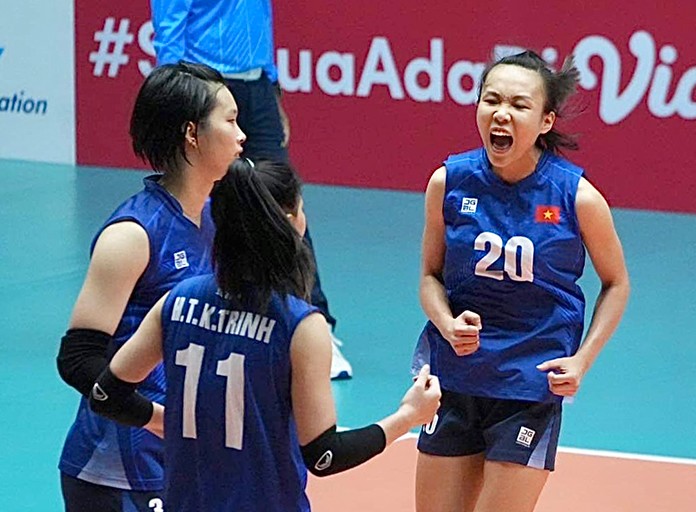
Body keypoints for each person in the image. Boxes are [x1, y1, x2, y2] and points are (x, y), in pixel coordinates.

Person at [88, 158, 442, 511]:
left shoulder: (177, 300)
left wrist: (170, 421)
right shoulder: (299, 325)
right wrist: (408, 417)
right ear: (290, 222)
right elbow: (323, 455)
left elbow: (105, 395)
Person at [413, 50, 630, 512]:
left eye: (518, 104)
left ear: (546, 120)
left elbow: (616, 283)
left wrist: (582, 361)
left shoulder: (577, 197)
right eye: (491, 100)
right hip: (457, 377)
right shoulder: (448, 182)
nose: (501, 113)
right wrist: (448, 324)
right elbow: (430, 276)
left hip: (529, 384)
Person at [56, 62, 246, 511]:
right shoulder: (133, 235)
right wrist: (158, 418)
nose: (242, 136)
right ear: (192, 134)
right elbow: (78, 360)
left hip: (188, 458)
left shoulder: (220, 220)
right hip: (120, 470)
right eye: (231, 120)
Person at [149, 0, 354, 379]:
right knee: (199, 199)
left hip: (257, 86)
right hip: (206, 87)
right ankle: (182, 318)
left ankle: (316, 322)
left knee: (284, 200)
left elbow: (261, 17)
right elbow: (169, 27)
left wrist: (271, 87)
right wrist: (178, 101)